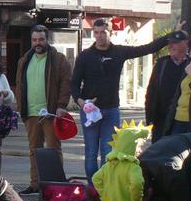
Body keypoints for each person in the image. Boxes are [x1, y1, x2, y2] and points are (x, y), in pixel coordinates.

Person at [71, 19, 176, 184]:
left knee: (108, 151)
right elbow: (74, 84)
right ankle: (92, 189)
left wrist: (171, 36)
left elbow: (147, 49)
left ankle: (105, 189)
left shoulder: (119, 52)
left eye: (102, 32)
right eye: (96, 32)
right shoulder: (85, 56)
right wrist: (81, 102)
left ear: (110, 32)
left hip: (111, 110)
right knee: (91, 152)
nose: (98, 36)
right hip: (90, 111)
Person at [14, 25, 73, 194]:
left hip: (51, 113)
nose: (37, 43)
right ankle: (35, 184)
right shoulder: (24, 60)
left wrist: (61, 106)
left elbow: (65, 83)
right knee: (34, 150)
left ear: (47, 40)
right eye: (34, 40)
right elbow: (19, 85)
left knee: (53, 149)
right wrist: (20, 107)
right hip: (31, 113)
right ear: (31, 41)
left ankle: (56, 185)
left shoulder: (58, 59)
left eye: (41, 39)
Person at [145, 31, 190, 142]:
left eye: (175, 43)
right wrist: (149, 117)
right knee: (158, 152)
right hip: (160, 119)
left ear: (186, 44)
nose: (170, 46)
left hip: (180, 121)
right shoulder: (162, 63)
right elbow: (151, 91)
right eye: (169, 43)